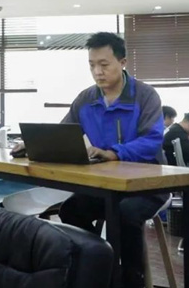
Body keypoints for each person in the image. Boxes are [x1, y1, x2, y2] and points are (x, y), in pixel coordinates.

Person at [58, 32, 166, 288]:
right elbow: (64, 133)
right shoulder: (86, 99)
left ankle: (131, 281)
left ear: (123, 62)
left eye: (104, 64)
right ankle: (98, 269)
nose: (98, 72)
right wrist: (31, 145)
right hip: (106, 185)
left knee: (125, 213)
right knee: (70, 210)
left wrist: (115, 153)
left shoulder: (145, 96)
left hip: (147, 185)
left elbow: (152, 140)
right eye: (92, 65)